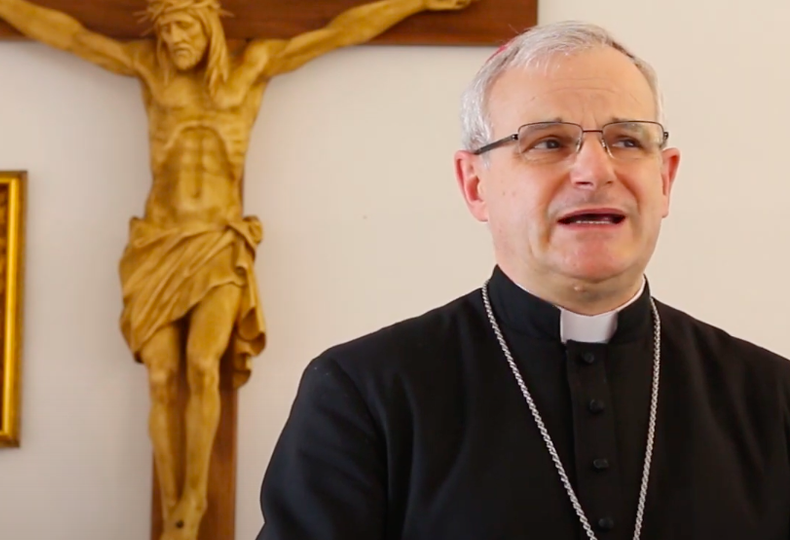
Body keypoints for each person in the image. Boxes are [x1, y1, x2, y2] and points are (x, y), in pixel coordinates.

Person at [0, 0, 473, 538]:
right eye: (166, 29)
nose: (175, 40)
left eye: (184, 27)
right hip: (159, 241)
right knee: (160, 374)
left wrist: (417, 2)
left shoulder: (251, 70)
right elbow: (72, 35)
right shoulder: (151, 73)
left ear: (209, 26)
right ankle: (173, 496)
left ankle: (194, 497)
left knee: (202, 365)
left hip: (219, 243)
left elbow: (338, 31)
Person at [256, 21, 790, 540]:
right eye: (549, 142)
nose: (595, 171)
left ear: (665, 179)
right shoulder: (363, 395)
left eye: (627, 140)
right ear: (475, 185)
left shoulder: (772, 396)